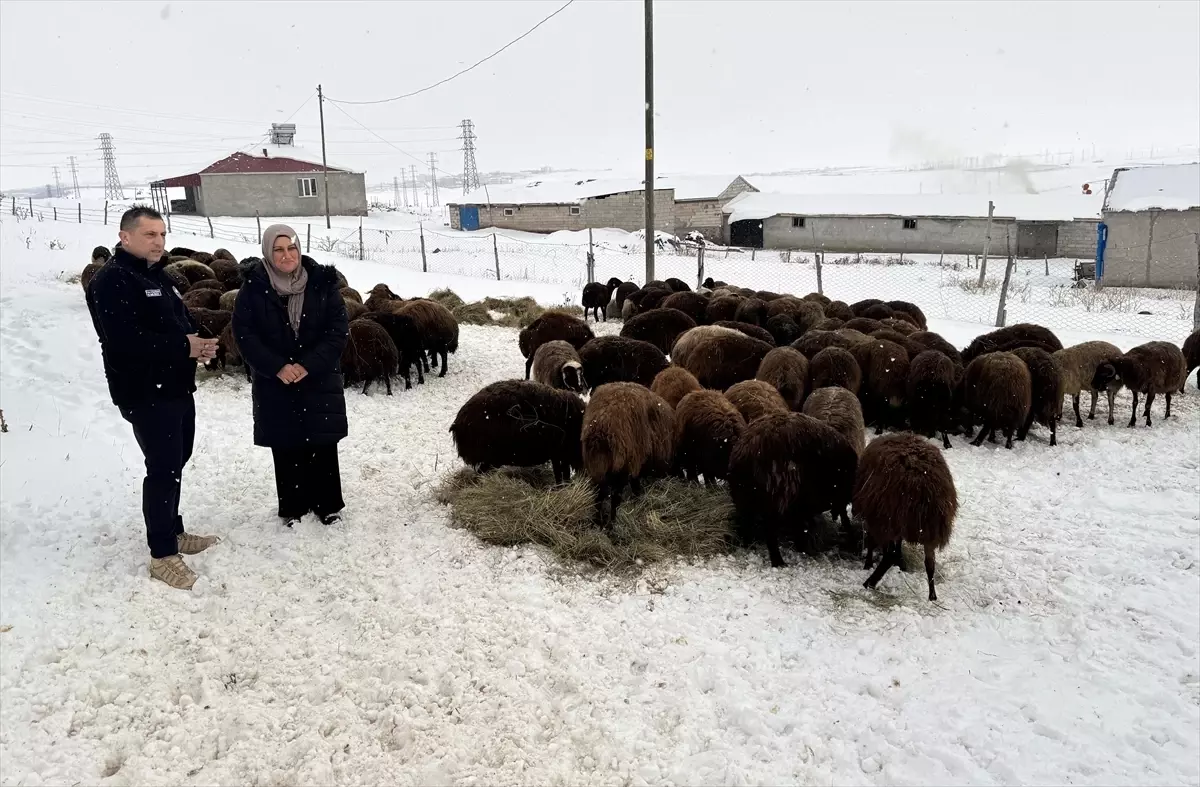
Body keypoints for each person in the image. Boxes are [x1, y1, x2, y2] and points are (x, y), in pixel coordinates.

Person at [85, 205, 220, 590]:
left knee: (178, 458)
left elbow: (177, 321)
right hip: (144, 390)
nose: (159, 241)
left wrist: (199, 343)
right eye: (149, 235)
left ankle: (173, 530)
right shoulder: (113, 280)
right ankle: (162, 554)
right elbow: (124, 341)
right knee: (162, 467)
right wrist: (184, 346)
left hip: (175, 385)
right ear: (125, 237)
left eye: (161, 234)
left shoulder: (160, 276)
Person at [232, 224, 350, 528]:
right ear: (268, 253)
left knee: (322, 441)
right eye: (279, 250)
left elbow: (337, 331)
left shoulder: (323, 284)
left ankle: (327, 504)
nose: (287, 255)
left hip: (318, 376)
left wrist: (309, 364)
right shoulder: (253, 289)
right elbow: (245, 334)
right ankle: (293, 505)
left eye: (292, 248)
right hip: (276, 380)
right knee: (286, 441)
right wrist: (277, 366)